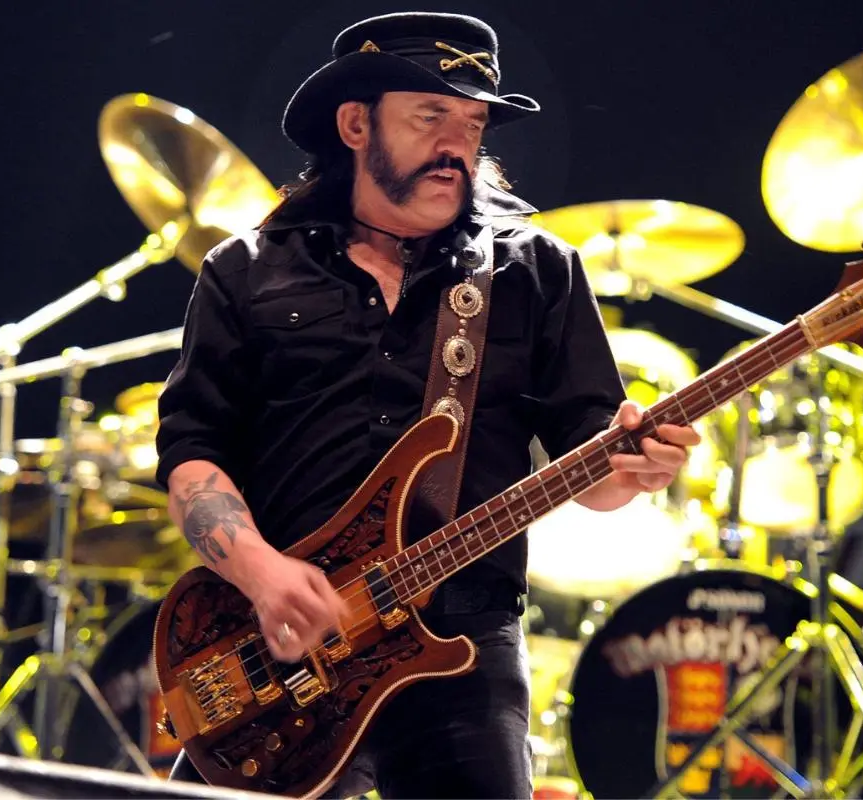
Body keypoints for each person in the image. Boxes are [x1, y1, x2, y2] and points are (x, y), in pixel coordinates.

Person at [154, 11, 701, 799]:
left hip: (463, 640)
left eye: (474, 121)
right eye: (431, 115)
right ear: (353, 123)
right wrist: (266, 575)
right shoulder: (246, 270)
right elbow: (193, 454)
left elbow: (596, 470)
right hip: (279, 642)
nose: (458, 143)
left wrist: (640, 472)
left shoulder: (536, 270)